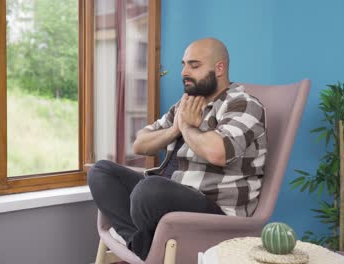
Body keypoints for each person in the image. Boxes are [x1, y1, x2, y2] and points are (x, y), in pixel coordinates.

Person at [87, 37, 267, 260]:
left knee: (148, 192)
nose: (184, 72)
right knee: (101, 172)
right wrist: (174, 130)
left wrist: (187, 127)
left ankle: (142, 245)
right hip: (173, 194)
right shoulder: (186, 103)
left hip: (214, 209)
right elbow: (140, 143)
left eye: (194, 65)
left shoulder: (244, 104)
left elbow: (217, 152)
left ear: (219, 68)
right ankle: (141, 246)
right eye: (183, 64)